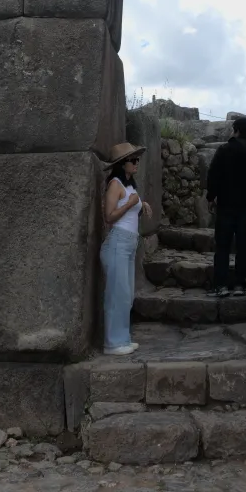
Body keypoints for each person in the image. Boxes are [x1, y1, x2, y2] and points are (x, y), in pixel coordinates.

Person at [205, 117, 246, 298]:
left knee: (223, 246)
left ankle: (221, 285)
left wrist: (211, 197)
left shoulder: (224, 150)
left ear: (237, 131)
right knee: (243, 245)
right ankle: (240, 284)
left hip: (226, 205)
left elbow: (213, 175)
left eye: (233, 129)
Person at [100, 142, 153, 356]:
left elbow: (129, 212)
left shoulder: (131, 186)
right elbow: (109, 217)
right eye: (133, 160)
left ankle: (122, 338)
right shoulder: (115, 184)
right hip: (118, 243)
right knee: (117, 294)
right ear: (123, 164)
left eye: (137, 159)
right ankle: (112, 343)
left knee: (127, 294)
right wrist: (131, 204)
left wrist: (141, 206)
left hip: (130, 243)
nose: (137, 163)